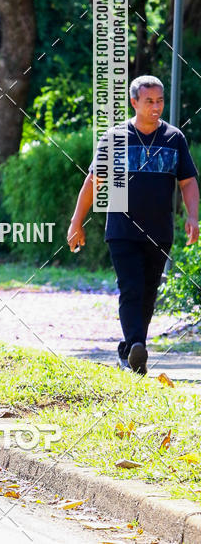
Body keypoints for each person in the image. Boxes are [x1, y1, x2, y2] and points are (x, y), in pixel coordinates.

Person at [67, 75, 199, 375]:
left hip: (160, 231)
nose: (156, 107)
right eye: (149, 101)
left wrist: (193, 216)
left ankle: (129, 350)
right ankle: (138, 345)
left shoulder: (174, 138)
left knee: (149, 290)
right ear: (134, 102)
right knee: (132, 288)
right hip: (122, 231)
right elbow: (94, 181)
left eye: (160, 101)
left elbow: (188, 182)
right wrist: (77, 221)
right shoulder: (114, 138)